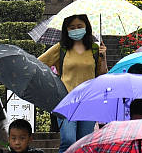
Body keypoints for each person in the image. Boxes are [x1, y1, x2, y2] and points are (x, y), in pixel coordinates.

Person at [38, 15, 106, 152]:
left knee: (84, 143)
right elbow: (39, 63)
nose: (76, 30)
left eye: (80, 26)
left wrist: (103, 57)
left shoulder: (94, 49)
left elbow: (102, 75)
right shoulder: (61, 48)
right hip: (66, 100)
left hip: (88, 101)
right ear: (66, 30)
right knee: (68, 140)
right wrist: (55, 82)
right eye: (72, 27)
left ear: (87, 27)